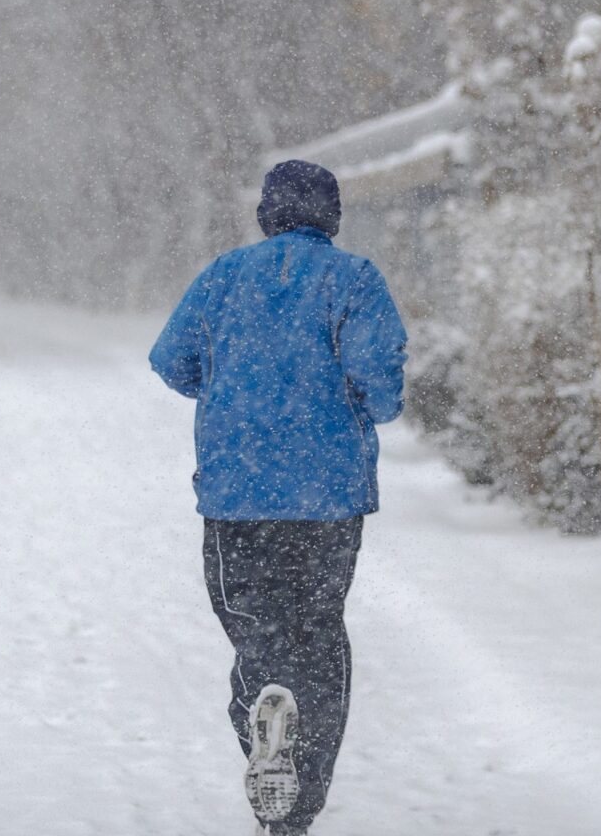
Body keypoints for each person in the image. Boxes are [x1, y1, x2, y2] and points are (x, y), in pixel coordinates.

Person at [148, 160, 406, 836]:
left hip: (236, 495)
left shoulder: (224, 276)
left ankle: (265, 716)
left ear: (267, 213)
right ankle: (300, 802)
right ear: (331, 216)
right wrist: (349, 401)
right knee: (318, 628)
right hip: (327, 498)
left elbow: (171, 360)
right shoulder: (354, 280)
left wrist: (231, 384)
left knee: (255, 627)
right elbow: (380, 383)